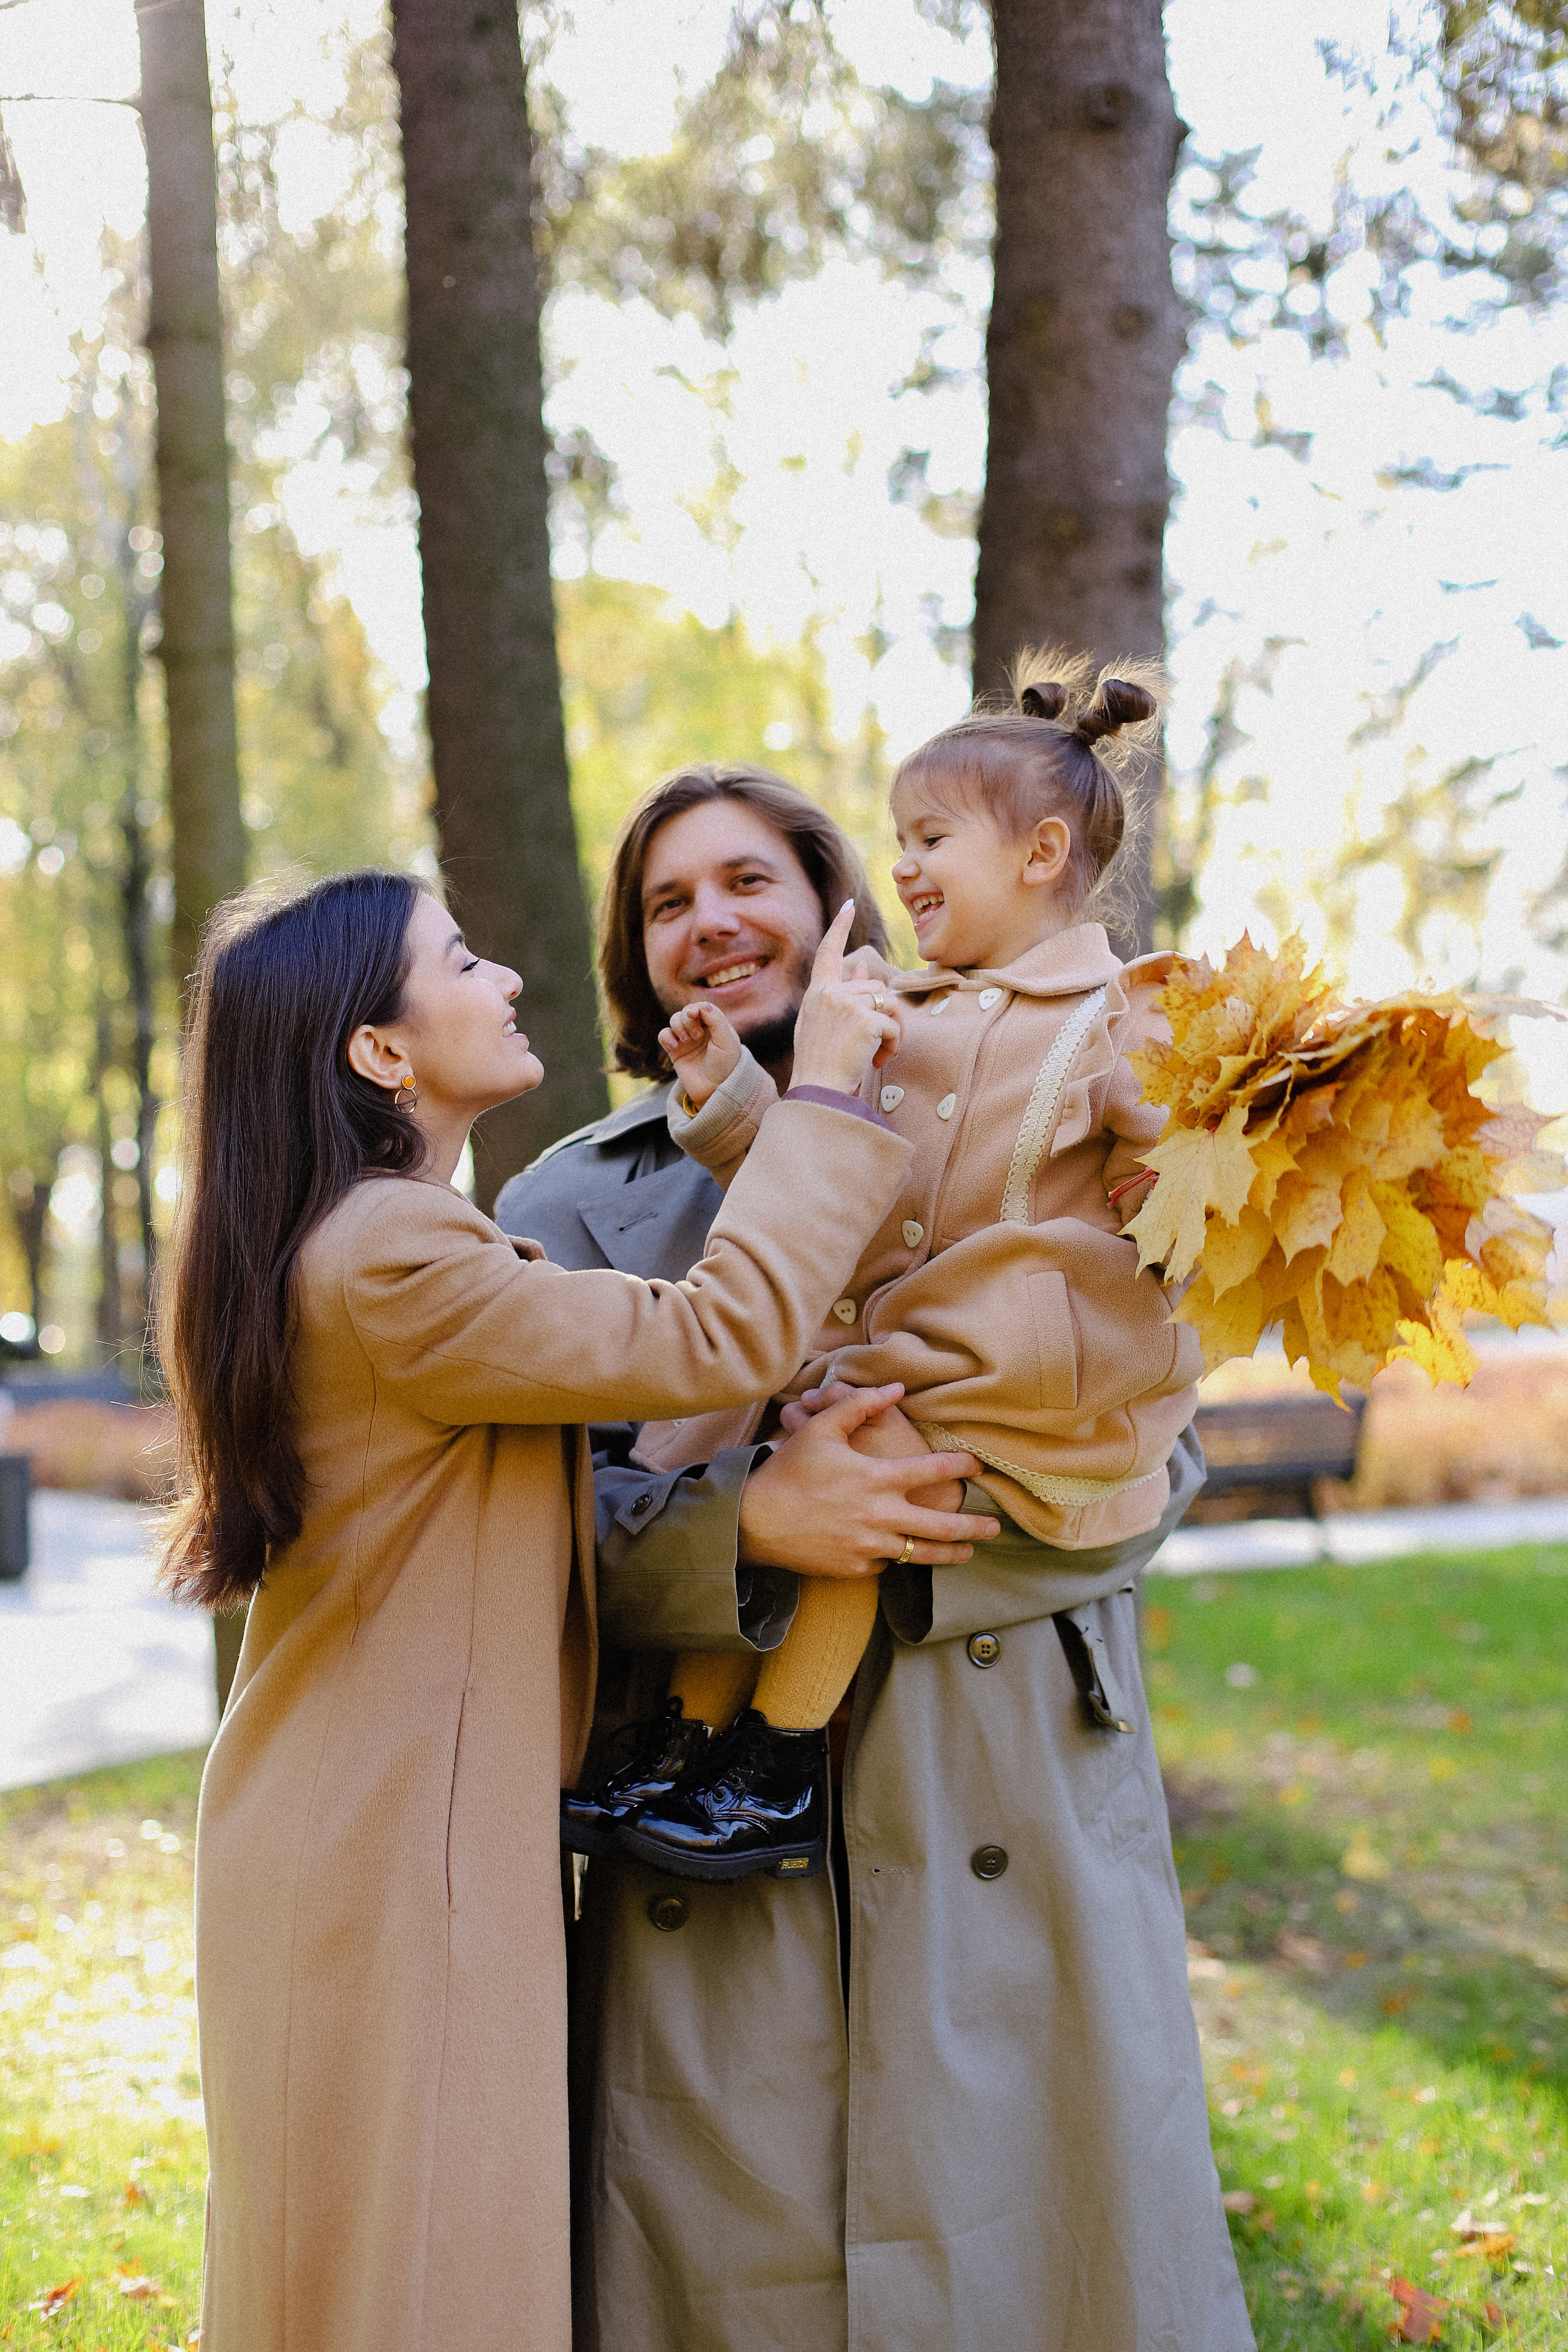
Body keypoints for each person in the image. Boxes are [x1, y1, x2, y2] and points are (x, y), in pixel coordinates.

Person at [495, 763, 1252, 2351]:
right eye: (667, 902)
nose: (711, 924)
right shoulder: (565, 1199)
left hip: (1006, 1766)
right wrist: (751, 1529)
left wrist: (914, 1533)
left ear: (834, 898)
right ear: (635, 960)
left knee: (1032, 2255)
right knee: (738, 2251)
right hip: (713, 1821)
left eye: (748, 882)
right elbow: (525, 1542)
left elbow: (1152, 1454)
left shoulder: (1041, 1093)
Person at [157, 867, 918, 2352]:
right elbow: (718, 1331)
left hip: (375, 1827)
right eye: (460, 957)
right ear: (381, 1052)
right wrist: (821, 1089)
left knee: (363, 2275)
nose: (506, 977)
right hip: (390, 1847)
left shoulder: (368, 1238)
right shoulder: (390, 1254)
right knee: (422, 2283)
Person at [618, 654, 1204, 1887]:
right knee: (763, 1448)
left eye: (929, 838)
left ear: (1039, 856)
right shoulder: (907, 1014)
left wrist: (1183, 1174)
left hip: (1015, 1371)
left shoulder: (1121, 1014)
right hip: (903, 1351)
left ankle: (771, 1761)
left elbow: (1183, 1170)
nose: (903, 866)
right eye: (898, 838)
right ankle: (675, 1741)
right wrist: (729, 1101)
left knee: (876, 1476)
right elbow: (821, 1169)